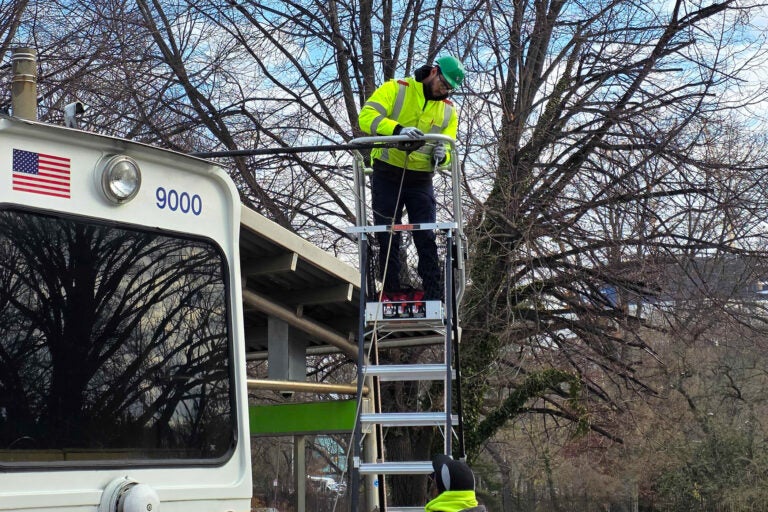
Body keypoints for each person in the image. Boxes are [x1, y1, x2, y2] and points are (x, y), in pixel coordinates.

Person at [358, 56, 465, 305]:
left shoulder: (448, 109)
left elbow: (450, 148)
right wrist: (397, 130)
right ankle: (391, 291)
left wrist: (444, 156)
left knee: (425, 235)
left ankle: (432, 295)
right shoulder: (397, 88)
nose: (445, 90)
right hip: (387, 171)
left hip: (421, 178)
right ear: (434, 72)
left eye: (450, 88)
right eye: (444, 83)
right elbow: (367, 116)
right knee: (387, 233)